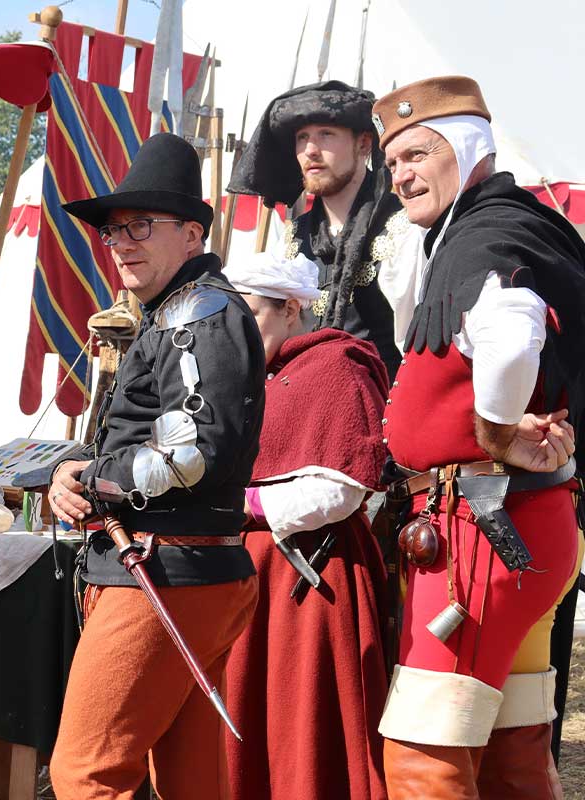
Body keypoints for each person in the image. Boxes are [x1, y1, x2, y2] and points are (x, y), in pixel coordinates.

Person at [373, 75, 585, 798]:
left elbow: (513, 334)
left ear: (468, 149)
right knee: (510, 750)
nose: (401, 176)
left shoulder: (486, 233)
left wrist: (495, 432)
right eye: (392, 163)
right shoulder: (499, 224)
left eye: (417, 154)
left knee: (423, 749)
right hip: (512, 527)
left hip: (481, 536)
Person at [45, 132, 265, 800]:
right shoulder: (171, 312)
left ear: (192, 234)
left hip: (166, 572)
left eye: (141, 225)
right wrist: (78, 467)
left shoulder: (197, 313)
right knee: (189, 780)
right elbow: (141, 433)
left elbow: (193, 453)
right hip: (177, 569)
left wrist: (93, 479)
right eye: (114, 231)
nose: (122, 243)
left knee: (86, 774)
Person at [221, 251, 390, 799]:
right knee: (246, 719)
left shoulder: (337, 365)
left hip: (312, 576)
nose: (236, 331)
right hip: (248, 574)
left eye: (249, 314)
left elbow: (342, 489)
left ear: (291, 308)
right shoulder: (253, 375)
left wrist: (242, 502)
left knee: (305, 728)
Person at [229, 80, 425, 377]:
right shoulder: (294, 238)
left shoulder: (403, 229)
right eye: (302, 137)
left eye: (326, 134)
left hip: (383, 396)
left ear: (363, 144)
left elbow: (416, 347)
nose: (310, 150)